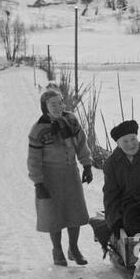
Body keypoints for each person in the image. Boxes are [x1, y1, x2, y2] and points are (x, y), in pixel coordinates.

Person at [28, 84, 94, 266]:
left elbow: (81, 143)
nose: (58, 108)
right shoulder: (38, 130)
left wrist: (87, 165)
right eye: (52, 105)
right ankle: (57, 250)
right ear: (45, 108)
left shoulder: (71, 121)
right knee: (53, 215)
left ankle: (73, 248)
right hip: (50, 177)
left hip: (70, 173)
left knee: (75, 212)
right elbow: (33, 159)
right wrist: (38, 183)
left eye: (59, 103)